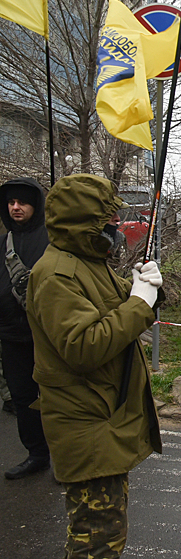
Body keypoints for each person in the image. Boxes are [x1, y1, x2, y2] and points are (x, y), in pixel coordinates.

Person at [27, 174, 163, 557]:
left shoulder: (89, 263)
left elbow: (125, 315)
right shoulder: (56, 274)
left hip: (102, 414)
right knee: (96, 539)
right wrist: (139, 302)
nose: (115, 226)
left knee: (106, 530)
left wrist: (149, 290)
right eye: (107, 219)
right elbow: (83, 347)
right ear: (85, 222)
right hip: (85, 421)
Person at [1, 177, 51, 479]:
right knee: (22, 397)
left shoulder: (51, 239)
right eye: (11, 202)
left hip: (45, 335)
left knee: (56, 397)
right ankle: (36, 454)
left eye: (22, 202)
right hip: (11, 335)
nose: (15, 207)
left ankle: (65, 456)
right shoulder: (5, 242)